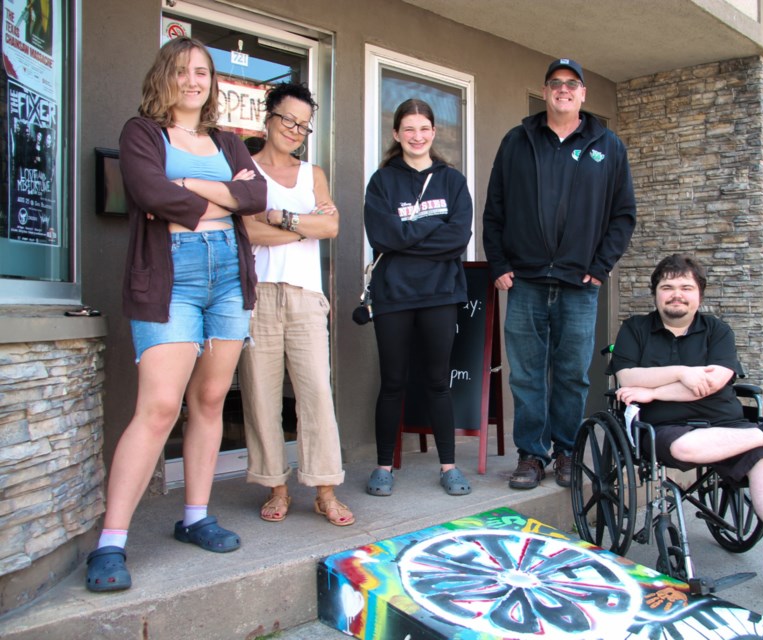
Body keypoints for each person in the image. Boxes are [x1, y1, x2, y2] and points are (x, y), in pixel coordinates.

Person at [85, 37, 267, 593]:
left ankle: (195, 517)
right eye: (184, 71)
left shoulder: (229, 142)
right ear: (165, 75)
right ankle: (111, 543)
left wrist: (184, 186)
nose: (194, 81)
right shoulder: (142, 132)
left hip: (229, 279)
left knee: (210, 399)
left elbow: (256, 197)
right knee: (159, 406)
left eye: (204, 73)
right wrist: (219, 196)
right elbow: (146, 191)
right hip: (172, 278)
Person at [610, 254, 763, 588]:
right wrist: (682, 373)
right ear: (656, 293)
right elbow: (627, 375)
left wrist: (652, 390)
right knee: (687, 446)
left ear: (699, 294)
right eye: (667, 287)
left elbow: (715, 383)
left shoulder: (717, 330)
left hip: (726, 424)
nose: (677, 294)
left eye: (686, 287)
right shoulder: (635, 329)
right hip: (662, 428)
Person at [483, 58, 637, 490]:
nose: (563, 90)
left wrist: (599, 266)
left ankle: (567, 450)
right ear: (546, 91)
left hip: (578, 284)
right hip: (526, 281)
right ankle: (532, 455)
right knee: (527, 374)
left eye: (572, 84)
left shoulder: (608, 146)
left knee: (572, 373)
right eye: (556, 84)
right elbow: (494, 209)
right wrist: (500, 264)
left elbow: (623, 215)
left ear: (583, 94)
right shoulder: (518, 140)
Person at [236, 82, 353, 527]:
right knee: (261, 396)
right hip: (259, 294)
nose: (295, 130)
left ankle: (325, 489)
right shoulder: (244, 168)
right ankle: (275, 487)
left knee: (316, 395)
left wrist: (279, 218)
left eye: (303, 125)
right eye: (288, 119)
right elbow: (246, 231)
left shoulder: (313, 174)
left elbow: (333, 225)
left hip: (306, 297)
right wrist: (305, 226)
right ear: (268, 117)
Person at [363, 98, 473, 498]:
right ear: (396, 134)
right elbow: (381, 236)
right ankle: (382, 466)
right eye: (408, 129)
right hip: (393, 294)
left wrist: (405, 239)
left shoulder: (452, 181)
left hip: (440, 293)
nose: (416, 136)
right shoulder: (382, 182)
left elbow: (458, 237)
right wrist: (429, 233)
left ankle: (448, 465)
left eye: (423, 128)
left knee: (437, 381)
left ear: (433, 132)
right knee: (392, 381)